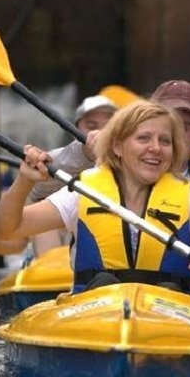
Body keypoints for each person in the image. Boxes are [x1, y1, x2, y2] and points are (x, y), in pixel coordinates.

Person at [27, 80, 190, 280]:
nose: (179, 131)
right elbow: (37, 188)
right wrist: (85, 154)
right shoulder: (100, 166)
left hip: (179, 297)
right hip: (97, 294)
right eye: (173, 120)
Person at [0, 101, 190, 292]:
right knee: (102, 282)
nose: (156, 148)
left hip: (169, 313)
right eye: (143, 138)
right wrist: (23, 182)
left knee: (169, 288)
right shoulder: (84, 192)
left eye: (165, 141)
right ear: (117, 146)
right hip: (97, 311)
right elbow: (5, 230)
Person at [27, 94, 119, 256]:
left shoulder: (135, 159)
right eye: (91, 125)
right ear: (75, 130)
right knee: (46, 214)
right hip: (64, 240)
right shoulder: (62, 156)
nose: (99, 132)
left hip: (110, 237)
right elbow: (36, 188)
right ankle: (51, 270)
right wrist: (87, 155)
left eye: (108, 126)